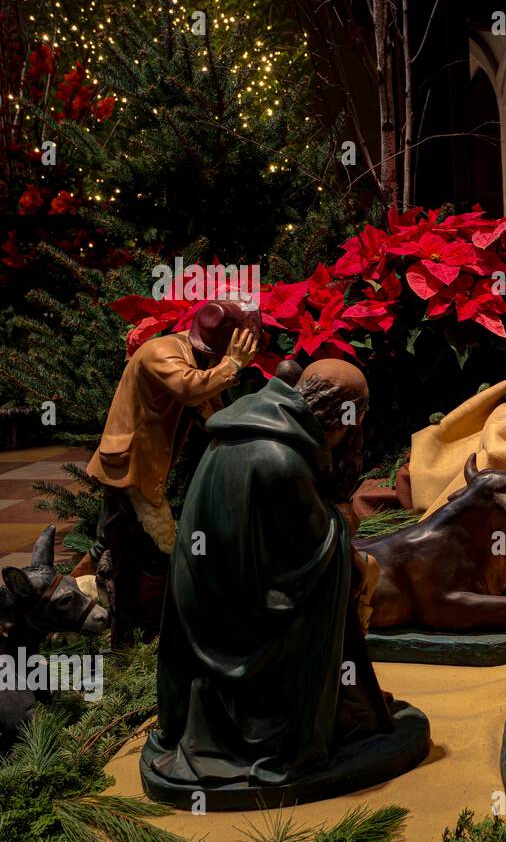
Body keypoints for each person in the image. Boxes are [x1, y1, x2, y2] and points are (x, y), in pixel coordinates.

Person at [149, 359, 391, 787]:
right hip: (240, 631)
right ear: (344, 418)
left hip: (208, 608)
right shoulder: (281, 461)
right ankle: (294, 734)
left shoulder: (238, 432)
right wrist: (349, 543)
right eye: (358, 420)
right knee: (336, 586)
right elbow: (312, 568)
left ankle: (339, 700)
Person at [87, 300, 258, 647]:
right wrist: (233, 365)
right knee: (153, 553)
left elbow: (209, 409)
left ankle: (134, 633)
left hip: (143, 473)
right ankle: (140, 637)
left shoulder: (196, 360)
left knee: (126, 551)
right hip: (129, 471)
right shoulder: (160, 353)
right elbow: (190, 388)